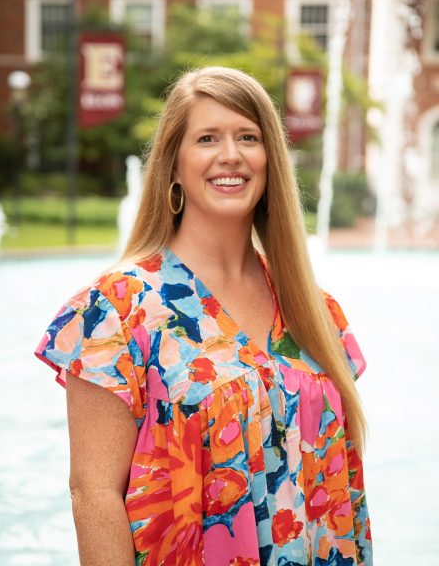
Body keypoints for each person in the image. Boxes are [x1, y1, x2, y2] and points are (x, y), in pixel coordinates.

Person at [35, 66, 373, 566]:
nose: (230, 155)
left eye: (248, 137)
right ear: (173, 165)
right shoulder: (116, 311)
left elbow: (342, 481)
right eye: (207, 138)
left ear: (270, 160)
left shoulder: (314, 310)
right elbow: (94, 496)